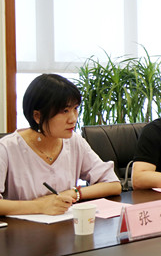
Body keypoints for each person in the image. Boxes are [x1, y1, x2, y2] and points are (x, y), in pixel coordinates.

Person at [0, 74, 121, 216]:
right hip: (20, 228)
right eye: (65, 111)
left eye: (75, 109)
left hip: (64, 225)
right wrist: (40, 206)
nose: (73, 119)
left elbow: (113, 184)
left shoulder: (74, 142)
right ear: (38, 116)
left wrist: (73, 193)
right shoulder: (7, 148)